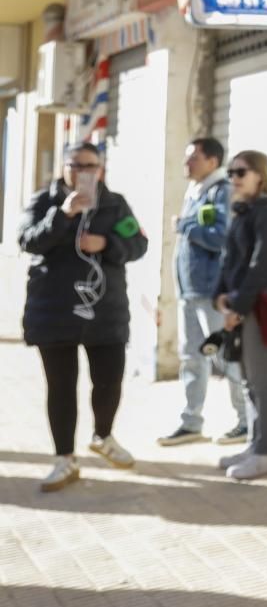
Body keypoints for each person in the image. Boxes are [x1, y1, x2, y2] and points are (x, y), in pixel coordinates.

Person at [19, 142, 149, 491]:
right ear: (64, 167)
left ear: (101, 169)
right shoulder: (43, 201)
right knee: (61, 388)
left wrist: (107, 245)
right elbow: (27, 241)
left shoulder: (114, 204)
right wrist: (63, 215)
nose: (83, 172)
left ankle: (103, 435)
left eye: (90, 166)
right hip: (54, 310)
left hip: (105, 311)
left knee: (109, 382)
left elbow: (138, 244)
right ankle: (64, 459)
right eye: (76, 165)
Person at [157, 136, 249, 447]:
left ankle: (246, 420)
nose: (186, 164)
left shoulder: (221, 191)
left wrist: (185, 226)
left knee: (227, 354)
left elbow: (221, 236)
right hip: (191, 290)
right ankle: (190, 422)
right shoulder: (196, 190)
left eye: (192, 158)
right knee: (192, 358)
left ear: (212, 161)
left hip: (212, 291)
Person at [214, 150, 267, 481]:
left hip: (259, 308)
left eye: (241, 171)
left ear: (260, 175)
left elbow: (262, 265)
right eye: (230, 172)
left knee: (262, 381)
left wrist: (238, 308)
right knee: (248, 381)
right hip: (241, 306)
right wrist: (218, 296)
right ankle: (255, 444)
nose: (234, 178)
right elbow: (230, 261)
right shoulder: (243, 212)